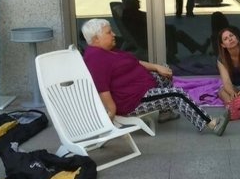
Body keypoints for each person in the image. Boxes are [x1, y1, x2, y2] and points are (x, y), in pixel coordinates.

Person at [81, 18, 229, 135]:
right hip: (132, 100)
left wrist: (157, 67)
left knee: (165, 70)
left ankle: (165, 113)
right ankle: (212, 123)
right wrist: (112, 112)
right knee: (178, 94)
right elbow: (102, 88)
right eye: (109, 32)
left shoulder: (108, 51)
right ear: (96, 39)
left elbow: (134, 62)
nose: (113, 34)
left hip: (139, 88)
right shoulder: (96, 59)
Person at [120, 0, 210, 63]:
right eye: (136, 0)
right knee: (171, 31)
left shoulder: (131, 13)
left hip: (147, 36)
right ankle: (171, 55)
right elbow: (148, 26)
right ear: (131, 3)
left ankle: (198, 48)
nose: (139, 1)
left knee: (176, 32)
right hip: (146, 40)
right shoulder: (132, 15)